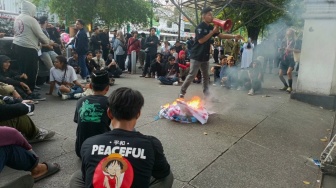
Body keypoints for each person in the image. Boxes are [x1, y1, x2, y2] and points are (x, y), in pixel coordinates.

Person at [69, 87, 173, 188]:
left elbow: (87, 176)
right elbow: (163, 172)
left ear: (109, 113)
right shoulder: (151, 143)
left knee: (77, 177)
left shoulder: (89, 143)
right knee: (167, 177)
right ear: (138, 114)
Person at [179, 7, 244, 99]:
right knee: (192, 75)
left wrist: (234, 36)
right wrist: (212, 32)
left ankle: (207, 94)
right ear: (203, 16)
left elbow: (221, 35)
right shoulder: (199, 27)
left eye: (211, 15)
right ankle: (182, 92)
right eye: (209, 15)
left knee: (206, 76)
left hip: (205, 56)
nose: (211, 17)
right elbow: (201, 40)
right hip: (196, 55)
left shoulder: (210, 27)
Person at [12, 0, 53, 92]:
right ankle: (30, 90)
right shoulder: (31, 19)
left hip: (16, 46)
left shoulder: (18, 18)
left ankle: (24, 89)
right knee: (31, 70)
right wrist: (49, 42)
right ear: (30, 9)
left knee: (22, 70)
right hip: (28, 48)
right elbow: (40, 34)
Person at [74, 70, 111, 158]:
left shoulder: (80, 101)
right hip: (101, 152)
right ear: (107, 88)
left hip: (81, 150)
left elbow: (78, 121)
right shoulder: (110, 102)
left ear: (90, 86)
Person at [279, 28, 296, 93]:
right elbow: (283, 48)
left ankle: (290, 87)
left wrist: (290, 50)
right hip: (284, 59)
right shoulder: (284, 41)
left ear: (292, 34)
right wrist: (281, 49)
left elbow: (299, 50)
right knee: (280, 75)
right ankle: (286, 85)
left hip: (291, 59)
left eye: (290, 34)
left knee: (288, 72)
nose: (288, 35)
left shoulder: (295, 41)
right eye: (287, 34)